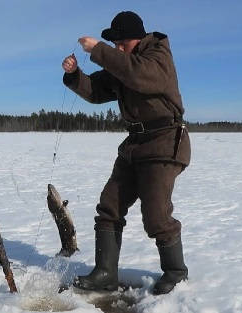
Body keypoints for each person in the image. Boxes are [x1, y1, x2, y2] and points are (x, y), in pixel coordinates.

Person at [61, 11, 191, 295]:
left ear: (138, 38)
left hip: (165, 140)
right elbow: (96, 90)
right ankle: (105, 273)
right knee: (109, 206)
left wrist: (99, 50)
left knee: (156, 214)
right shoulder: (123, 64)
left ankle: (176, 273)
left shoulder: (158, 57)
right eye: (115, 45)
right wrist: (74, 75)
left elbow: (139, 75)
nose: (118, 49)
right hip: (135, 143)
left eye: (123, 44)